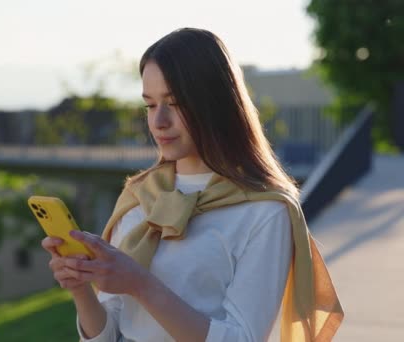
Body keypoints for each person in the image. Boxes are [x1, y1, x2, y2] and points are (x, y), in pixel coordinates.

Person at [42, 28, 343, 342]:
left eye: (175, 103)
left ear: (215, 103)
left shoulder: (265, 209)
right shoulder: (139, 195)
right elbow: (110, 333)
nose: (158, 122)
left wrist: (141, 284)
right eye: (150, 105)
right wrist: (80, 288)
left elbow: (242, 338)